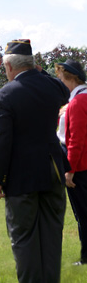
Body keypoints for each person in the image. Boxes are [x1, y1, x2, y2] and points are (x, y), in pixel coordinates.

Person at [0, 39, 70, 283]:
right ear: (33, 64)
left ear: (9, 66)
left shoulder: (5, 95)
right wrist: (38, 70)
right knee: (51, 236)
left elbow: (2, 140)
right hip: (52, 170)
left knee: (24, 239)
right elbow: (63, 89)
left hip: (21, 175)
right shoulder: (52, 88)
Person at [55, 59, 87, 265]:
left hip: (81, 167)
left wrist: (70, 169)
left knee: (83, 213)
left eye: (61, 78)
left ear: (70, 78)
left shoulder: (77, 102)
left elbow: (76, 139)